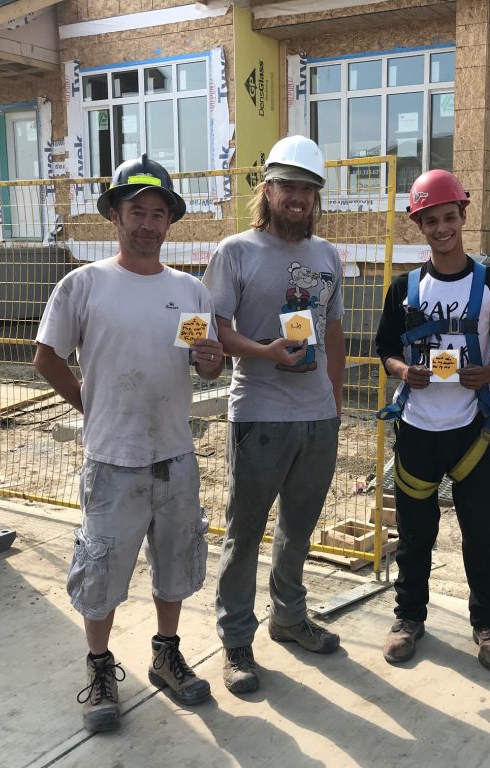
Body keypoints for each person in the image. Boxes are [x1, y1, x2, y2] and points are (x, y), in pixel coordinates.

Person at [34, 155, 224, 733]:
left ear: (171, 222)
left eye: (158, 212)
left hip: (174, 456)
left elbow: (204, 364)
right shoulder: (84, 285)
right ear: (115, 216)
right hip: (112, 462)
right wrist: (88, 407)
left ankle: (166, 654)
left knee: (174, 562)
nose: (147, 223)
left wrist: (212, 362)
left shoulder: (190, 291)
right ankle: (99, 668)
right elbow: (46, 357)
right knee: (103, 571)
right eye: (136, 211)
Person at [202, 135, 345, 694]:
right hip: (259, 413)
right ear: (268, 189)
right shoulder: (236, 251)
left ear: (316, 198)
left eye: (307, 189)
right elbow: (213, 328)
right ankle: (237, 639)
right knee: (245, 531)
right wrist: (262, 352)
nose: (297, 197)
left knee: (298, 529)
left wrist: (333, 397)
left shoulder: (327, 255)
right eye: (288, 185)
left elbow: (332, 327)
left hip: (316, 418)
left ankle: (288, 617)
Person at [374, 170, 490, 670]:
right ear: (420, 225)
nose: (441, 228)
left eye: (448, 217)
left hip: (472, 434)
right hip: (417, 430)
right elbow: (384, 348)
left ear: (463, 216)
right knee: (416, 535)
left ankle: (488, 624)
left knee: (479, 534)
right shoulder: (405, 287)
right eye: (430, 221)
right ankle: (409, 617)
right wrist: (403, 370)